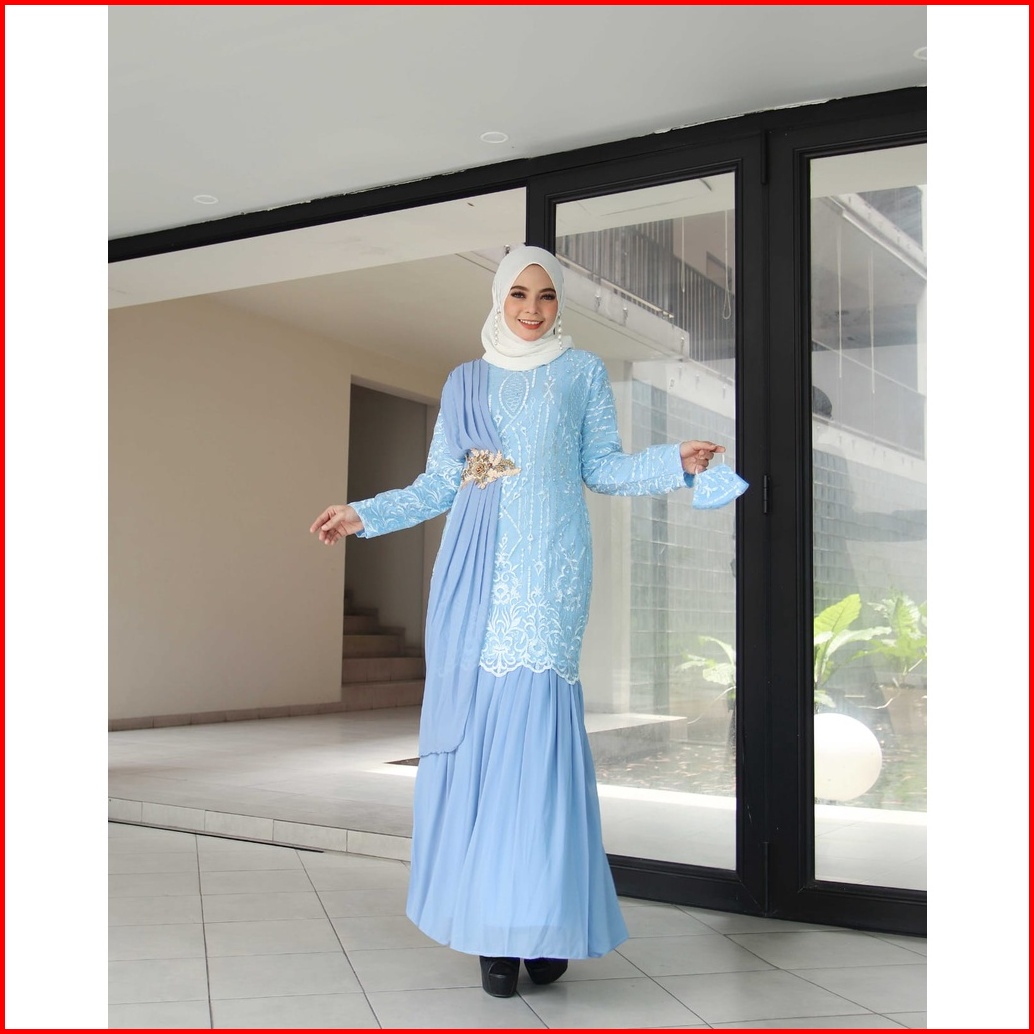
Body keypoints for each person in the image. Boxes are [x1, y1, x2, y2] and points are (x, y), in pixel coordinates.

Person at [310, 246, 725, 998]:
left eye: (545, 296)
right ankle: (494, 935)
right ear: (499, 300)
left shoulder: (581, 372)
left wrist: (676, 463)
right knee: (485, 752)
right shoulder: (465, 382)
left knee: (539, 753)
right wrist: (362, 514)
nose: (532, 310)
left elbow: (603, 467)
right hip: (478, 575)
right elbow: (439, 484)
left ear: (558, 303)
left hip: (552, 579)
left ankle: (543, 921)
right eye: (518, 296)